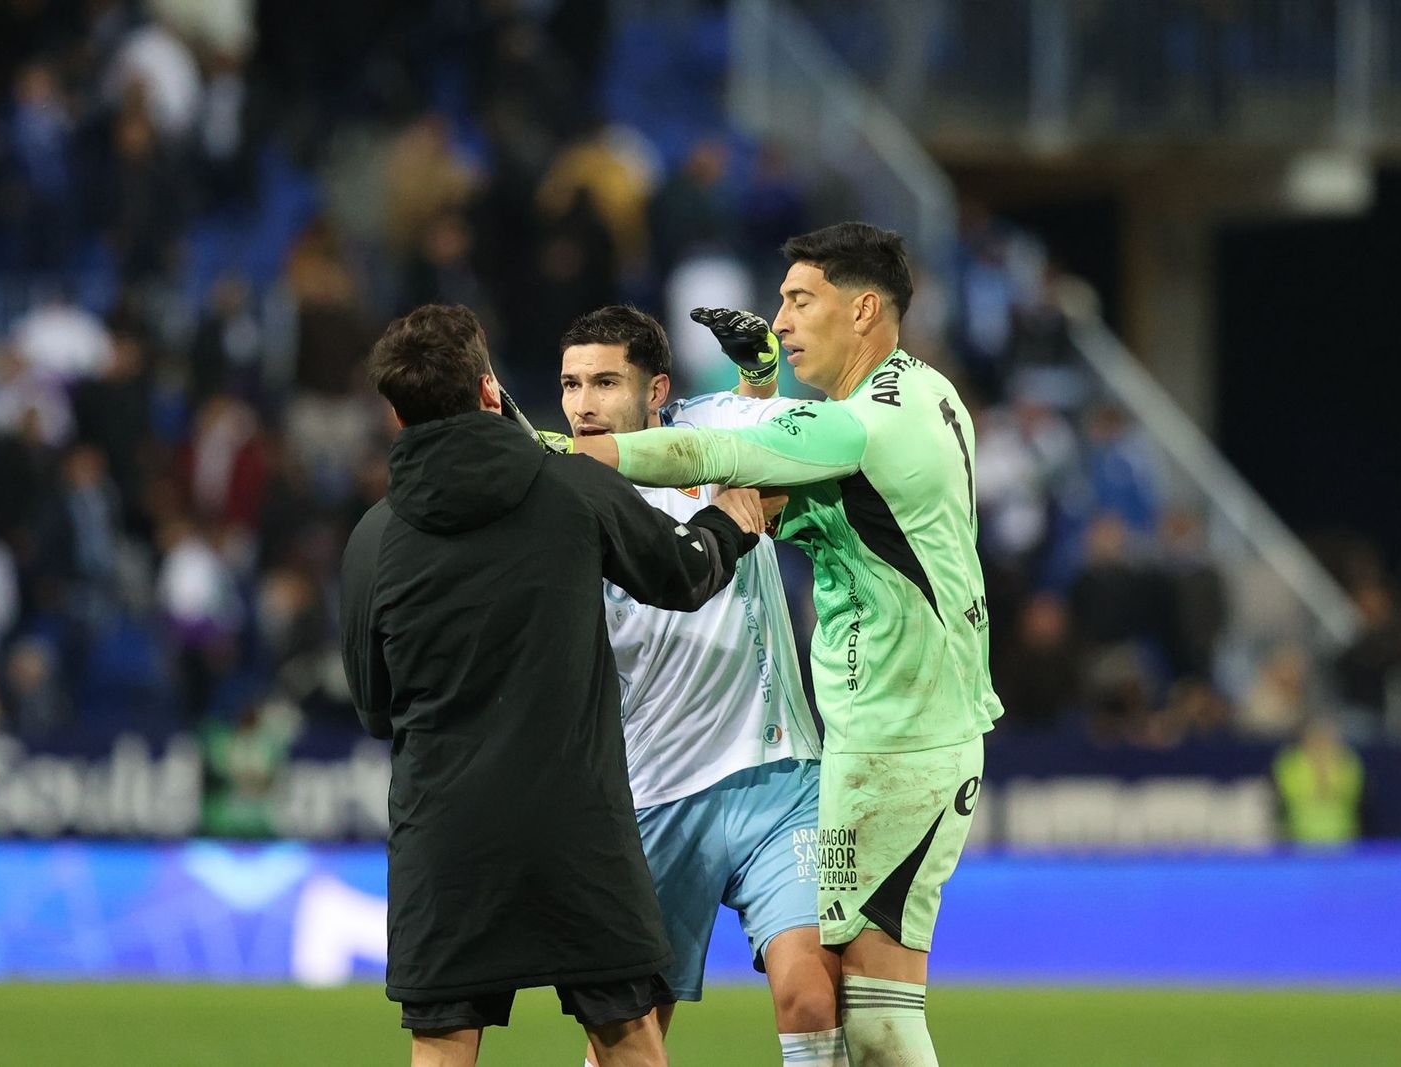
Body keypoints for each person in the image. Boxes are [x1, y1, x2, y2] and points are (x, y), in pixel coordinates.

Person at [577, 222, 1005, 1066]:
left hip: (897, 741)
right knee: (855, 1009)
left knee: (867, 1011)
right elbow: (801, 481)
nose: (780, 319)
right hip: (839, 745)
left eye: (800, 301)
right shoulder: (928, 392)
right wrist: (758, 390)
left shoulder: (860, 424)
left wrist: (569, 454)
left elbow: (716, 445)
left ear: (866, 309)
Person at [339, 304, 768, 1067]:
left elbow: (375, 708)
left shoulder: (374, 538)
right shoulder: (570, 487)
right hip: (576, 826)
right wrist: (729, 523)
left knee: (442, 1046)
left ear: (398, 413)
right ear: (488, 390)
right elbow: (683, 573)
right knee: (629, 1038)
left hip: (445, 832)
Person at [558, 304, 845, 1067]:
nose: (584, 402)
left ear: (657, 392)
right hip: (650, 795)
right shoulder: (560, 494)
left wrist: (757, 372)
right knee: (629, 1038)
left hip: (779, 775)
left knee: (814, 993)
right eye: (571, 383)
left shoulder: (710, 427)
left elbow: (789, 426)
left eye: (605, 381)